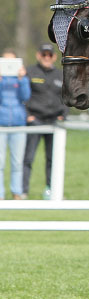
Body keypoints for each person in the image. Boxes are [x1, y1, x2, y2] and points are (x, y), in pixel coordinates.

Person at [23, 43, 68, 199]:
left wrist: (64, 114)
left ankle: (51, 190)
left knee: (52, 159)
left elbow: (67, 96)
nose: (47, 58)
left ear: (54, 57)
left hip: (54, 122)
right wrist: (27, 114)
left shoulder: (61, 75)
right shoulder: (29, 72)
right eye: (44, 54)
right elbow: (22, 95)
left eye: (50, 55)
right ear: (38, 55)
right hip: (35, 120)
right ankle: (23, 191)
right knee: (28, 157)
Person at [0, 49, 30, 200]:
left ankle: (16, 191)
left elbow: (26, 96)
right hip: (1, 124)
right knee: (0, 162)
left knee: (17, 161)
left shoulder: (21, 79)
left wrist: (22, 79)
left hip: (18, 123)